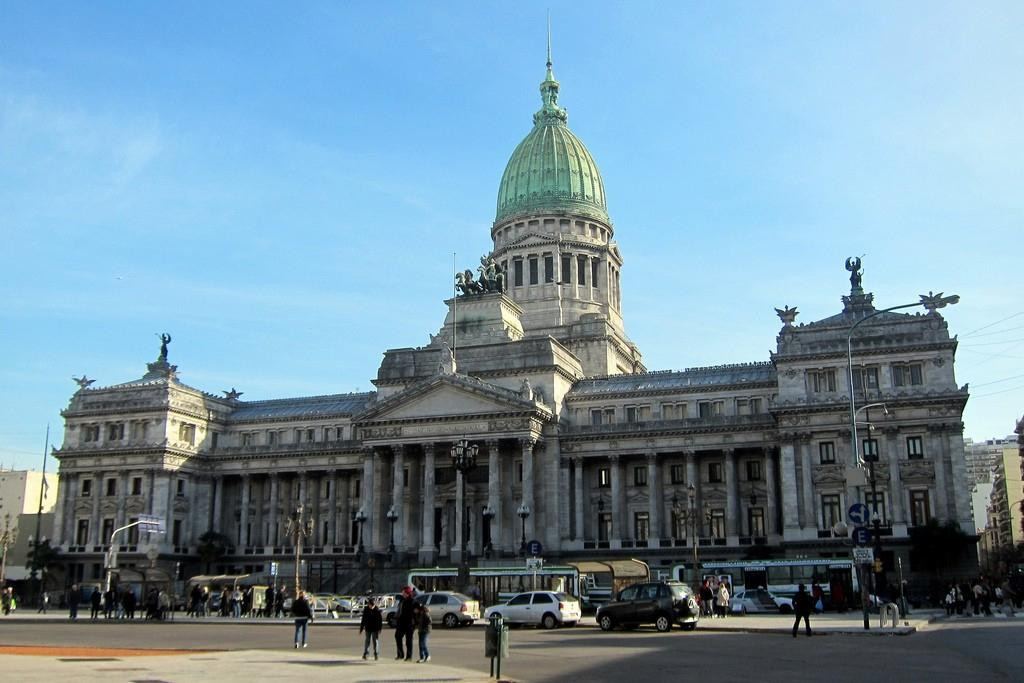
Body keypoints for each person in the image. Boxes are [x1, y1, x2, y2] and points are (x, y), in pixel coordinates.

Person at [395, 586, 416, 660]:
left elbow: (415, 613)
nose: (402, 593)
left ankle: (409, 656)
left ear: (407, 593)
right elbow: (400, 610)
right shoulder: (402, 600)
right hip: (401, 623)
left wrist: (414, 624)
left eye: (403, 592)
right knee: (397, 636)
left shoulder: (412, 601)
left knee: (408, 641)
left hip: (409, 624)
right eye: (402, 592)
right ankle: (400, 654)